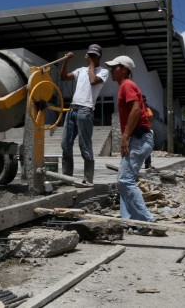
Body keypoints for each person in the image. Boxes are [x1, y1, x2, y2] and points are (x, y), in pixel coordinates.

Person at [105, 55, 165, 236]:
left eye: (114, 67)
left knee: (124, 180)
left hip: (139, 139)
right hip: (138, 139)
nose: (111, 70)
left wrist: (125, 137)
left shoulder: (127, 85)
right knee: (125, 182)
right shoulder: (124, 87)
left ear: (124, 69)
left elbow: (136, 109)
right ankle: (130, 221)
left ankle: (148, 221)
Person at [60, 44, 109, 184]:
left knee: (85, 146)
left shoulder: (103, 72)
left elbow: (93, 81)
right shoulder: (81, 70)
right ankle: (67, 178)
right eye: (90, 55)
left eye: (94, 56)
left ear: (98, 57)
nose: (90, 58)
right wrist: (66, 61)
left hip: (85, 110)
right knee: (65, 144)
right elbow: (64, 77)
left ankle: (88, 179)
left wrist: (92, 65)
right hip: (72, 110)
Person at [142, 95, 154, 169]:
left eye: (145, 101)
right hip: (139, 130)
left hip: (147, 130)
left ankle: (148, 163)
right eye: (143, 101)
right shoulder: (137, 108)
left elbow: (150, 118)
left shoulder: (147, 109)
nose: (144, 102)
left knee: (148, 147)